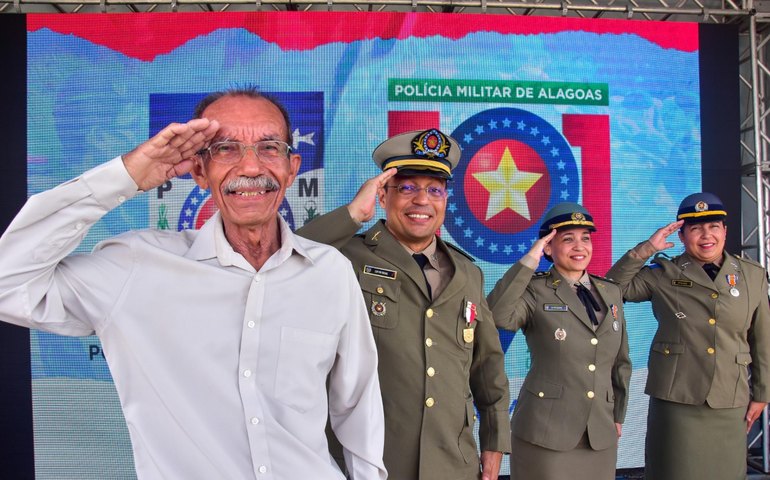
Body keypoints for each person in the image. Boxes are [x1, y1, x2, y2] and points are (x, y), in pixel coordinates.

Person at [0, 87, 387, 480]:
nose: (251, 168)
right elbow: (6, 284)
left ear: (292, 168)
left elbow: (357, 406)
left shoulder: (329, 271)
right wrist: (126, 177)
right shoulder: (136, 267)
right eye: (226, 149)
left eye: (269, 147)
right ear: (199, 171)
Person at [297, 128, 511, 480]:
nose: (422, 201)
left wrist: (495, 441)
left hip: (451, 462)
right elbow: (284, 260)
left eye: (434, 190)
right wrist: (352, 214)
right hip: (369, 460)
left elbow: (487, 368)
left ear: (446, 199)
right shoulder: (346, 255)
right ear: (383, 195)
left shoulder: (468, 273)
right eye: (407, 187)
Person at [606, 192, 770, 480]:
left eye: (713, 227)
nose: (706, 235)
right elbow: (611, 290)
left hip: (729, 396)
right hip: (677, 398)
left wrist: (762, 392)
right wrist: (645, 249)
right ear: (682, 235)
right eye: (695, 228)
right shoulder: (663, 272)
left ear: (725, 231)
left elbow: (762, 338)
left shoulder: (751, 275)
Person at [486, 202, 631, 479]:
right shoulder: (535, 290)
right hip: (546, 430)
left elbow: (620, 361)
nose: (579, 246)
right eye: (568, 239)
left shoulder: (610, 292)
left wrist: (618, 413)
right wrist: (530, 259)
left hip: (599, 431)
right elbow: (497, 315)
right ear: (549, 247)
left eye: (585, 239)